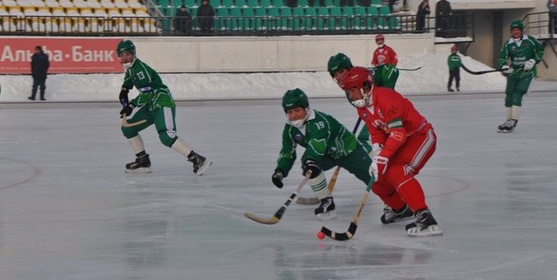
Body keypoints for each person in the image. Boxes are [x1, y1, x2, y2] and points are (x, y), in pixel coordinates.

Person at [272, 88, 414, 223]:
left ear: (306, 108)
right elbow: (287, 151)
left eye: (297, 110)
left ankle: (399, 206)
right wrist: (281, 170)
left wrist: (311, 160)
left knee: (374, 180)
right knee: (308, 166)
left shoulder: (319, 122)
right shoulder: (290, 129)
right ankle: (326, 202)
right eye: (290, 112)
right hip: (327, 155)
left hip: (349, 151)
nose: (294, 115)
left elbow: (317, 144)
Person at [338, 66, 442, 237]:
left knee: (397, 172)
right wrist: (378, 150)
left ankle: (426, 218)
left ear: (364, 85)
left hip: (420, 136)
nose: (351, 96)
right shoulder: (362, 107)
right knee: (376, 178)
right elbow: (376, 131)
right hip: (400, 141)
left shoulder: (386, 97)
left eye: (352, 90)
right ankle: (399, 209)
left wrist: (383, 158)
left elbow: (398, 133)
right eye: (348, 92)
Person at [116, 39, 212, 175]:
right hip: (151, 105)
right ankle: (143, 160)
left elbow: (147, 93)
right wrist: (124, 90)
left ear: (133, 54)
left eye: (128, 54)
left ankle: (197, 159)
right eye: (122, 55)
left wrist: (131, 105)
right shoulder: (131, 70)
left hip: (162, 103)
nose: (125, 58)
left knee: (166, 136)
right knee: (128, 128)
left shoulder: (140, 69)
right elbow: (129, 81)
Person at [497, 19, 544, 133]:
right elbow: (502, 57)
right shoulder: (508, 43)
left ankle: (513, 121)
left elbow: (540, 51)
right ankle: (508, 120)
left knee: (518, 93)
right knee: (509, 95)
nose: (516, 32)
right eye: (513, 30)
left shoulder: (531, 40)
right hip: (514, 72)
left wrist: (533, 60)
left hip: (527, 72)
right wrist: (503, 66)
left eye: (518, 29)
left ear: (522, 30)